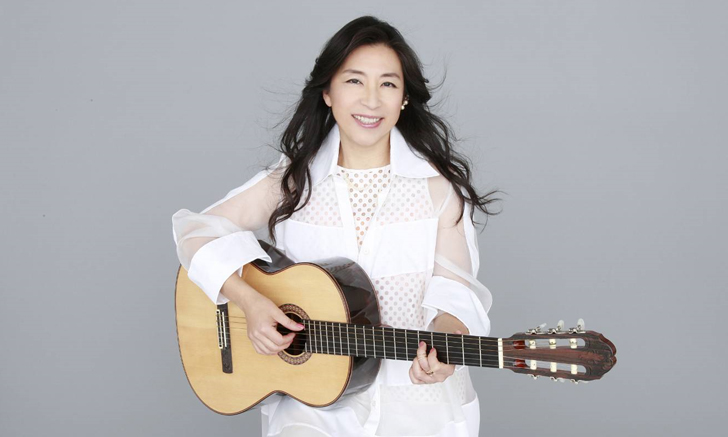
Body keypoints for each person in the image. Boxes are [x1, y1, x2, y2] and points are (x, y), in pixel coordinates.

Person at [172, 15, 501, 437]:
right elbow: (195, 232)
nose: (371, 100)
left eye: (387, 84)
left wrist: (448, 344)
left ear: (404, 98)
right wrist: (250, 302)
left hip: (416, 403)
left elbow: (456, 290)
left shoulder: (437, 190)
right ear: (327, 92)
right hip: (313, 403)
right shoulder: (292, 182)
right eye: (354, 81)